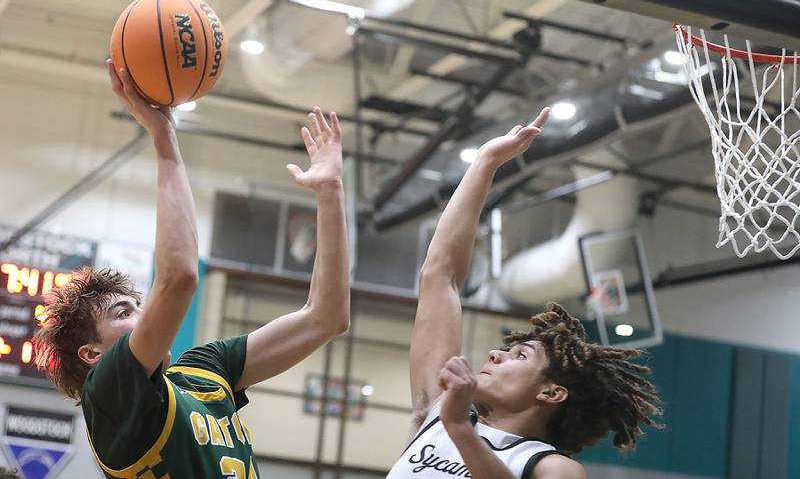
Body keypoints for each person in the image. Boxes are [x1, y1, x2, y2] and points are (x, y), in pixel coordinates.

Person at [33, 61, 350, 478]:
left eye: (137, 305)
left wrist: (329, 193)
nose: (144, 315)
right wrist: (164, 140)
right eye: (122, 313)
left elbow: (326, 319)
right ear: (93, 354)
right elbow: (180, 277)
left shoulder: (204, 369)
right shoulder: (108, 398)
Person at [386, 108, 662, 479]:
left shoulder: (553, 468)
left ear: (551, 393)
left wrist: (462, 432)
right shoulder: (437, 414)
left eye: (519, 355)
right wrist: (486, 163)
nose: (496, 354)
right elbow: (440, 276)